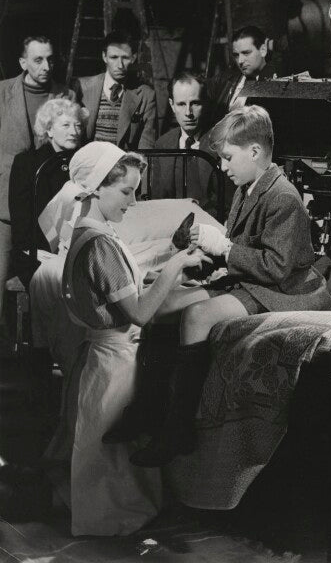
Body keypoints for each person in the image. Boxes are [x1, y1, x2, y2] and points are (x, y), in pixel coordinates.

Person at [120, 105, 331, 467]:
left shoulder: (283, 197)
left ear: (254, 151)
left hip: (283, 289)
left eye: (228, 157)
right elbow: (242, 253)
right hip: (253, 279)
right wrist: (208, 252)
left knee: (197, 317)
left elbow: (277, 269)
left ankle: (177, 430)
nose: (223, 166)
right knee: (164, 305)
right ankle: (148, 409)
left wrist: (227, 249)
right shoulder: (247, 188)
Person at [55, 141, 207, 535]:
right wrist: (175, 265)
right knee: (117, 459)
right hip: (116, 359)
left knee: (108, 455)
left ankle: (111, 513)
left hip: (103, 353)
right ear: (96, 189)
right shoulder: (99, 245)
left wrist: (166, 266)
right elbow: (139, 311)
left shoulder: (90, 234)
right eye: (126, 191)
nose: (133, 201)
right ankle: (116, 520)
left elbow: (125, 285)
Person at [0, 36, 74, 319]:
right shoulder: (3, 93)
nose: (46, 66)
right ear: (23, 63)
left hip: (51, 209)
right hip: (6, 208)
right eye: (38, 60)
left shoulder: (64, 94)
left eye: (50, 59)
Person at [9, 97, 88, 289]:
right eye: (66, 125)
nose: (74, 131)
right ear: (49, 130)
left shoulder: (84, 162)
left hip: (76, 249)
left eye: (78, 125)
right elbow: (22, 222)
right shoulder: (26, 163)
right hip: (36, 253)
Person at [152, 71, 225, 215]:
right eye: (181, 104)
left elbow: (227, 204)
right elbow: (156, 200)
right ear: (172, 105)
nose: (188, 112)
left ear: (205, 103)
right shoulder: (162, 145)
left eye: (195, 103)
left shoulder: (221, 144)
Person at [77, 29, 157, 150]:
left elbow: (147, 144)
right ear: (104, 57)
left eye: (125, 58)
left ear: (134, 58)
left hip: (124, 165)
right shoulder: (82, 87)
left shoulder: (146, 95)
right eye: (114, 57)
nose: (120, 65)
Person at [206, 25, 277, 125]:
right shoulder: (225, 78)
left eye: (246, 53)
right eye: (236, 55)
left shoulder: (277, 83)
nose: (240, 61)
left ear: (263, 50)